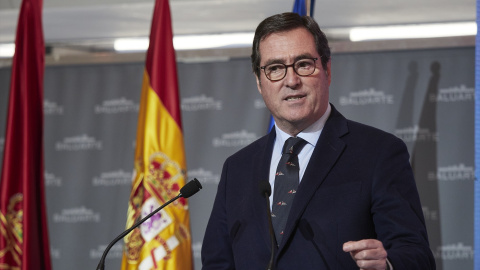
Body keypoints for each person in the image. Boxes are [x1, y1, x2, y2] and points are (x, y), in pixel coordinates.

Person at [201, 12, 435, 270]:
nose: (291, 81)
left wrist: (387, 265)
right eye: (275, 68)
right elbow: (217, 262)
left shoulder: (379, 153)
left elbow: (416, 255)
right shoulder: (237, 168)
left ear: (327, 69)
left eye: (303, 64)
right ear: (259, 81)